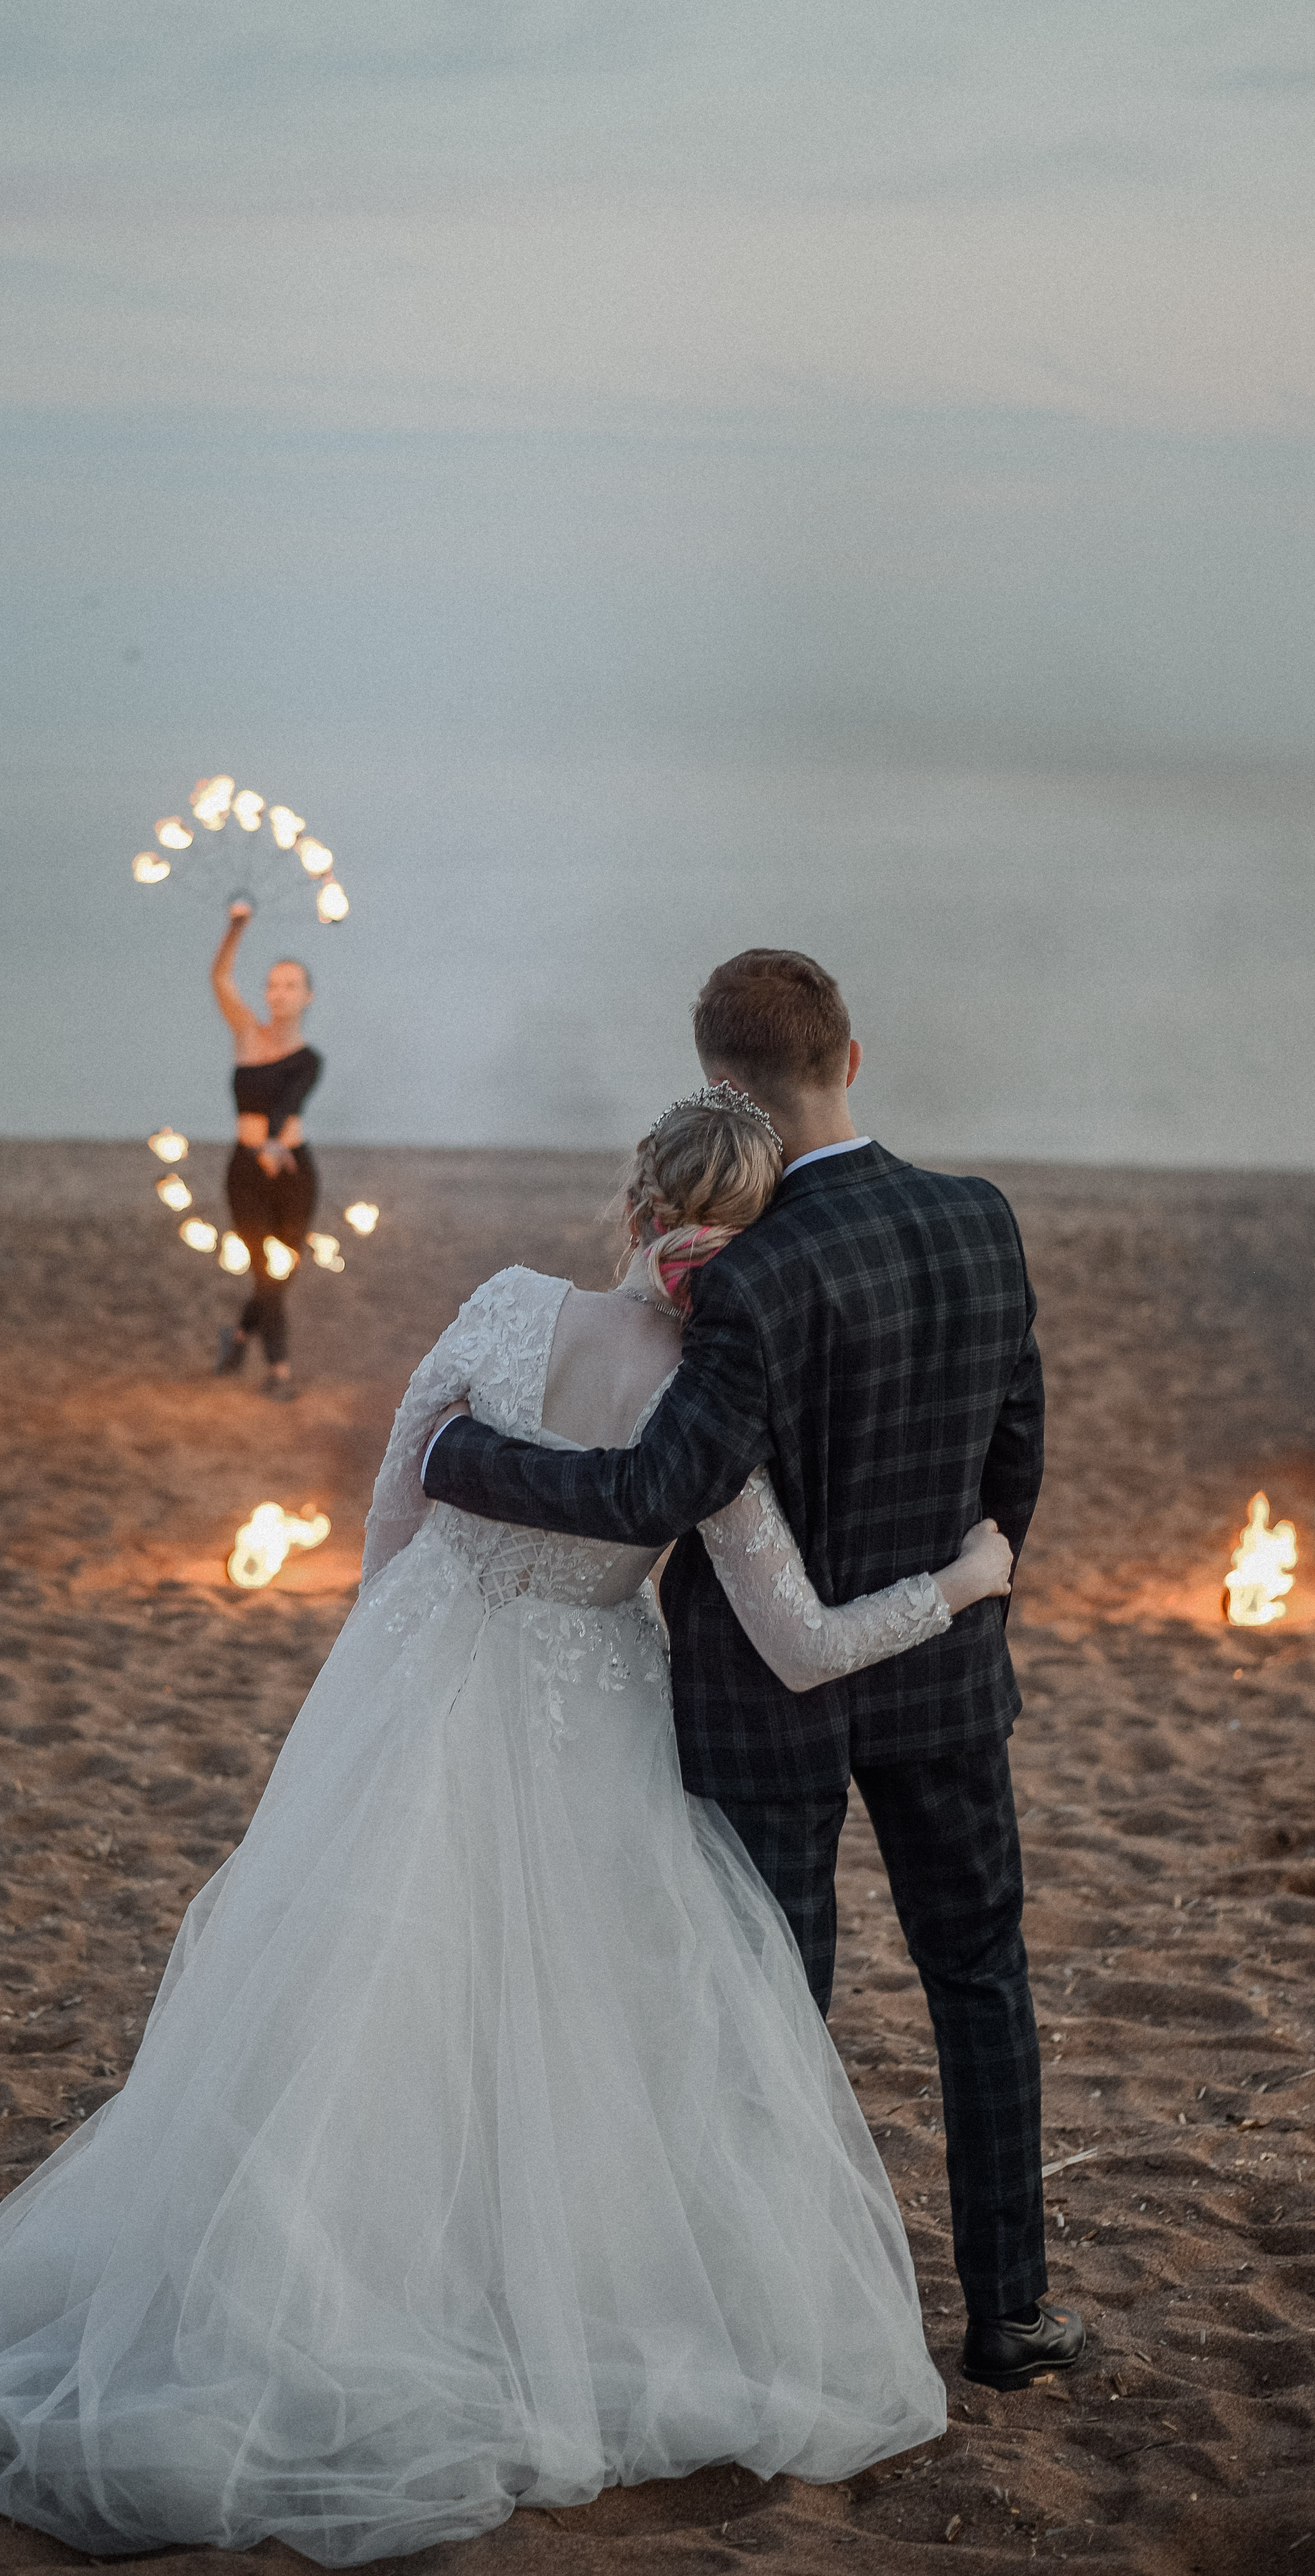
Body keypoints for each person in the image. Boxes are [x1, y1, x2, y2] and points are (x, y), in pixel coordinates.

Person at [0, 1091, 1017, 2566]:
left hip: (421, 1681)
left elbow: (393, 1506)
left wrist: (382, 1675)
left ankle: (313, 2283)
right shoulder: (717, 1405)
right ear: (748, 1242)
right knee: (578, 2022)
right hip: (588, 1723)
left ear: (635, 1202)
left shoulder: (505, 1305)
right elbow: (801, 1644)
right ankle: (531, 2299)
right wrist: (962, 1582)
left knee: (354, 2001)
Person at [423, 949, 1083, 2398]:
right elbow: (1015, 1452)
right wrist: (969, 1588)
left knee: (770, 2008)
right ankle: (1012, 2312)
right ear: (853, 1056)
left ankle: (770, 2324)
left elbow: (653, 1490)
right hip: (943, 1680)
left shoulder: (750, 1271)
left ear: (721, 1086)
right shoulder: (979, 1218)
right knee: (979, 1975)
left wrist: (462, 1457)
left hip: (760, 1700)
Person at [211, 899, 321, 1398]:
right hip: (247, 1172)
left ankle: (238, 1336)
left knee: (285, 1269)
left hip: (294, 1172)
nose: (280, 993)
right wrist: (236, 928)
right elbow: (220, 978)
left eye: (291, 985)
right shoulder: (247, 1036)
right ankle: (280, 1370)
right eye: (273, 985)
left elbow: (288, 1102)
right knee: (263, 1266)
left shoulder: (309, 1060)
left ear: (308, 997)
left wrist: (276, 1143)